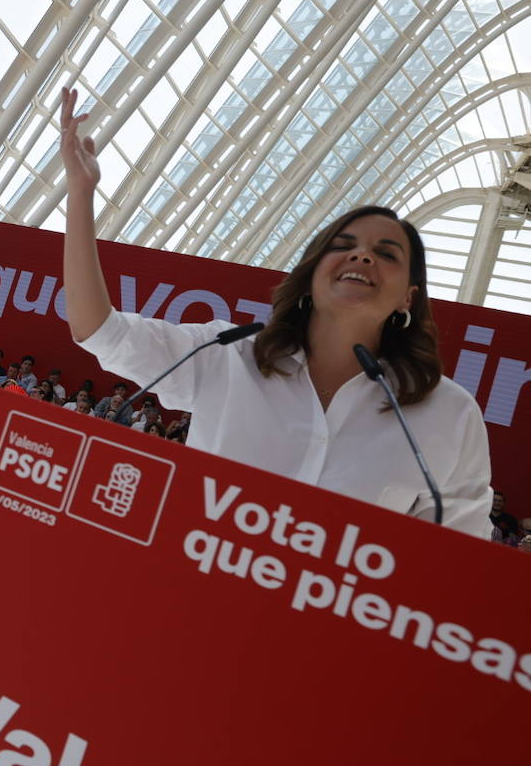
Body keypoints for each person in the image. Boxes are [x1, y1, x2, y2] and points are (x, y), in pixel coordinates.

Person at [58, 86, 492, 535]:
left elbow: (456, 561)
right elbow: (101, 332)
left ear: (408, 298)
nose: (361, 257)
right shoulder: (227, 355)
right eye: (342, 246)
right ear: (310, 276)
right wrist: (80, 191)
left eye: (386, 254)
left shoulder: (449, 415)